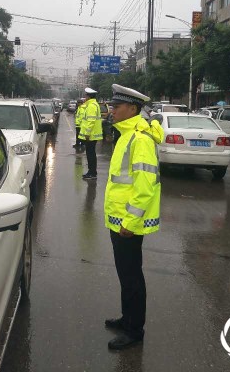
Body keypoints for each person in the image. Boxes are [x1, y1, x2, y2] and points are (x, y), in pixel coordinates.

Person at [103, 83, 163, 350]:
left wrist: (130, 222)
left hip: (128, 222)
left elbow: (145, 186)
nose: (112, 110)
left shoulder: (139, 139)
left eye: (116, 106)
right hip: (120, 219)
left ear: (133, 108)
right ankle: (127, 318)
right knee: (125, 274)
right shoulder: (127, 134)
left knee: (131, 277)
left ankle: (134, 330)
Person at [79, 88, 103, 180]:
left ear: (88, 96)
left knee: (90, 154)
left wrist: (87, 133)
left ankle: (92, 172)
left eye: (85, 95)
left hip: (91, 135)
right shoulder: (93, 104)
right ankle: (92, 172)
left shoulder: (92, 106)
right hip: (92, 134)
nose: (85, 97)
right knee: (91, 153)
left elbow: (91, 121)